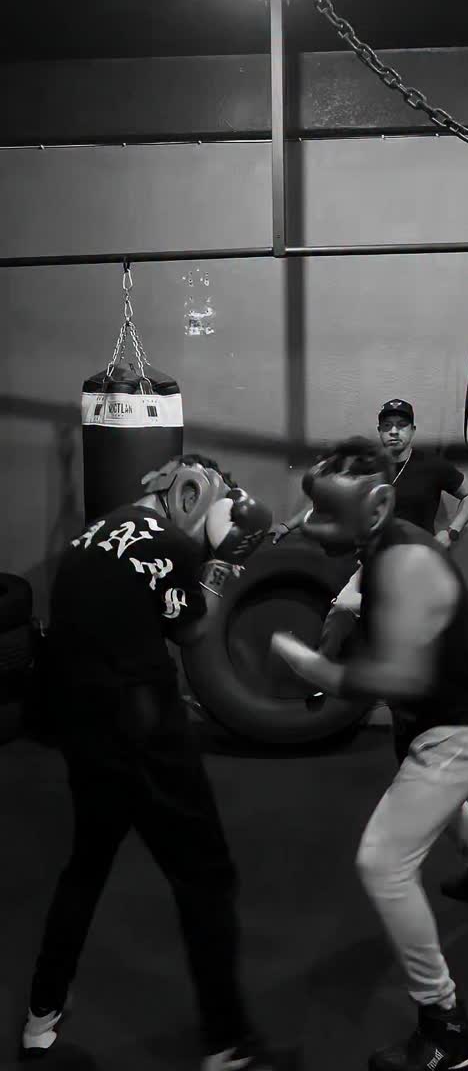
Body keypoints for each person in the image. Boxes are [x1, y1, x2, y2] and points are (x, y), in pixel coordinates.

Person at [21, 454, 276, 1071]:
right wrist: (224, 565)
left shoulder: (91, 535)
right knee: (207, 879)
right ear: (195, 495)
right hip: (143, 732)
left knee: (87, 863)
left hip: (81, 726)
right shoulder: (174, 546)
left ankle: (41, 1013)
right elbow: (192, 634)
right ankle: (228, 1044)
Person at [271, 437, 468, 1071]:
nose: (315, 524)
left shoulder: (406, 562)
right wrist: (338, 609)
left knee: (382, 863)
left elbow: (398, 677)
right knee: (434, 800)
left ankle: (447, 1026)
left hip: (460, 732)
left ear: (376, 507)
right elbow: (354, 591)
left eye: (329, 512)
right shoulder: (379, 546)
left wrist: (315, 667)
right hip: (444, 719)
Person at [271, 400, 468, 682]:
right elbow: (330, 500)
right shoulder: (367, 469)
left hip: (417, 563)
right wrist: (288, 525)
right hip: (374, 559)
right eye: (387, 426)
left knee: (413, 631)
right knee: (344, 609)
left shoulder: (431, 465)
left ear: (413, 430)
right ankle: (320, 678)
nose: (394, 431)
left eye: (401, 425)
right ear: (380, 431)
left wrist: (451, 532)